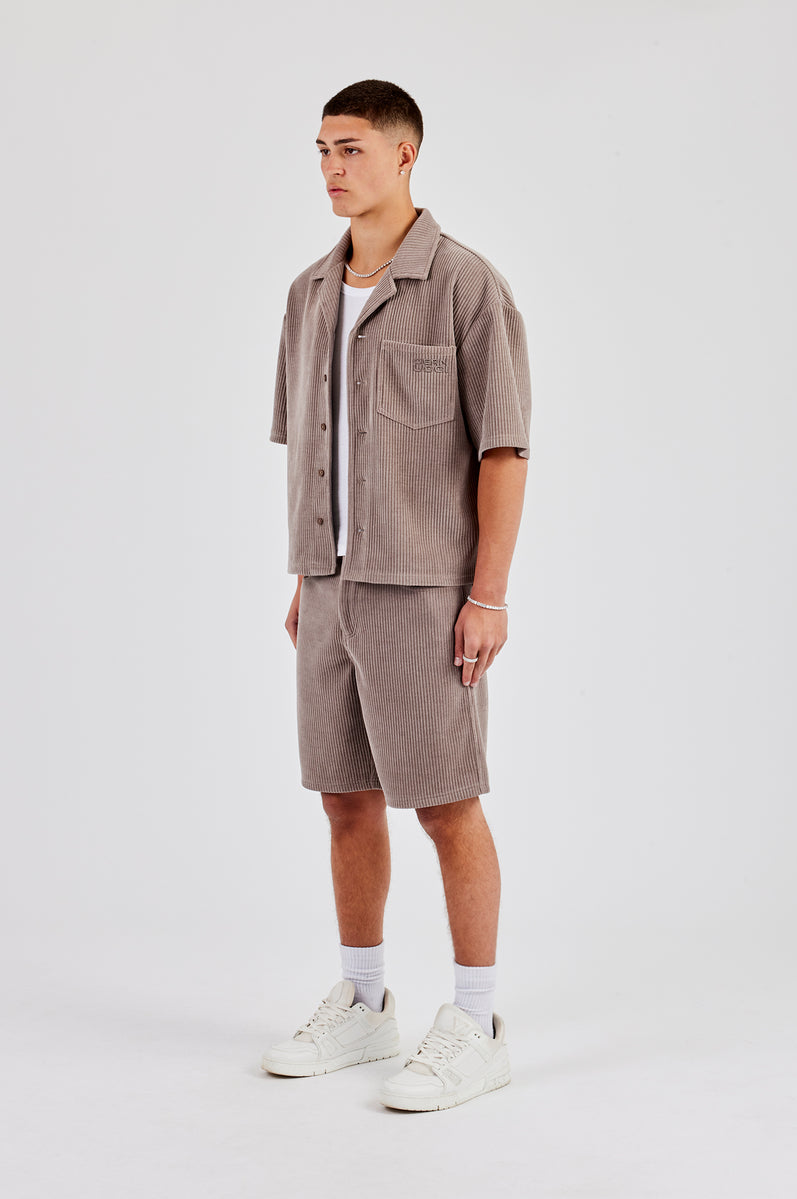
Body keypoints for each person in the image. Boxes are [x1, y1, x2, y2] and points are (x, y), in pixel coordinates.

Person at [261, 78, 531, 1112]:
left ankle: (477, 1020)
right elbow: (312, 448)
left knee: (446, 801)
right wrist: (306, 574)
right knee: (343, 797)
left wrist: (487, 594)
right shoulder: (307, 293)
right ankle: (366, 1003)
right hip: (329, 586)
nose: (333, 168)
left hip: (425, 591)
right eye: (322, 150)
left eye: (353, 148)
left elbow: (502, 449)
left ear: (405, 154)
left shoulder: (465, 286)